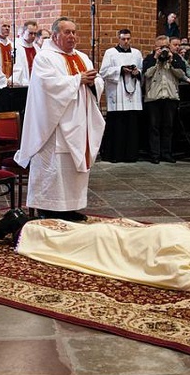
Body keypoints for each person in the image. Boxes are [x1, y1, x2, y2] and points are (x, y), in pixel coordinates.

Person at [0, 217, 190, 292]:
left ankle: (24, 223)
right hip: (109, 243)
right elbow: (178, 277)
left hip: (120, 234)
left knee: (67, 233)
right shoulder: (184, 246)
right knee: (59, 242)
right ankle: (18, 226)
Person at [14, 16, 105, 222]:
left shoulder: (82, 57)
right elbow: (47, 85)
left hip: (79, 121)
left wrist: (92, 82)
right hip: (54, 124)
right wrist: (77, 80)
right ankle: (48, 207)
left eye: (74, 32)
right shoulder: (45, 57)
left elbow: (96, 81)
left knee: (73, 168)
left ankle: (70, 207)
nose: (72, 36)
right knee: (54, 167)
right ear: (55, 35)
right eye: (67, 32)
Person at [98, 28, 143, 163]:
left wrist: (137, 72)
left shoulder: (136, 53)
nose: (126, 41)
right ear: (118, 39)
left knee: (132, 125)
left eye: (128, 39)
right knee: (117, 125)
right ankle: (114, 155)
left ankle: (131, 155)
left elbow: (142, 70)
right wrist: (120, 69)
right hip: (117, 94)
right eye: (123, 39)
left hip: (133, 93)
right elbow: (104, 72)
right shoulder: (110, 53)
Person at [142, 35, 186, 164]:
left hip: (170, 96)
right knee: (154, 127)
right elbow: (147, 74)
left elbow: (181, 74)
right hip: (153, 97)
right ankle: (155, 154)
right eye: (161, 47)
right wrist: (156, 60)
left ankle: (167, 153)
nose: (164, 50)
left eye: (166, 47)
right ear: (155, 48)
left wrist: (172, 62)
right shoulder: (150, 58)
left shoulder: (176, 58)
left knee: (168, 127)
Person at [13, 19, 39, 86]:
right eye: (30, 33)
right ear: (23, 32)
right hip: (21, 85)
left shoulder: (37, 48)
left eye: (35, 34)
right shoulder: (15, 47)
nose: (33, 36)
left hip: (35, 84)